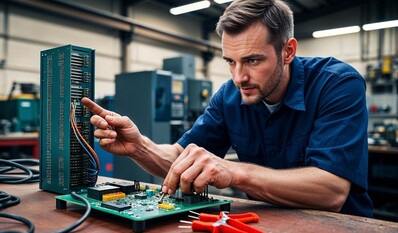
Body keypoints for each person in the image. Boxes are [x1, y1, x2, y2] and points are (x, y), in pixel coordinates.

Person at [82, 0, 373, 217]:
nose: (238, 77)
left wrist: (233, 172)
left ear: (288, 52)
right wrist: (139, 146)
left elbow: (332, 191)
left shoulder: (337, 84)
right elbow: (183, 159)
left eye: (253, 60)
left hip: (340, 228)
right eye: (230, 61)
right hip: (264, 223)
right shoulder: (229, 97)